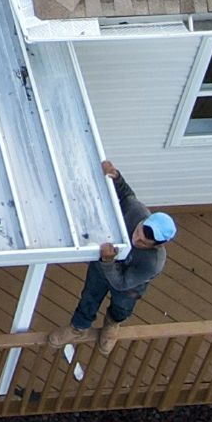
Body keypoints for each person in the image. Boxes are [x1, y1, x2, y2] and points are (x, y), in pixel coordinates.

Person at [56, 159, 176, 376]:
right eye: (140, 231)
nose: (138, 238)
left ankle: (112, 324)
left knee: (122, 306)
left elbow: (122, 282)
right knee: (90, 295)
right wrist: (115, 176)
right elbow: (126, 195)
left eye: (146, 241)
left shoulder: (153, 263)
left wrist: (108, 262)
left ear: (158, 245)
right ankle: (78, 327)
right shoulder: (136, 211)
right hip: (103, 266)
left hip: (128, 284)